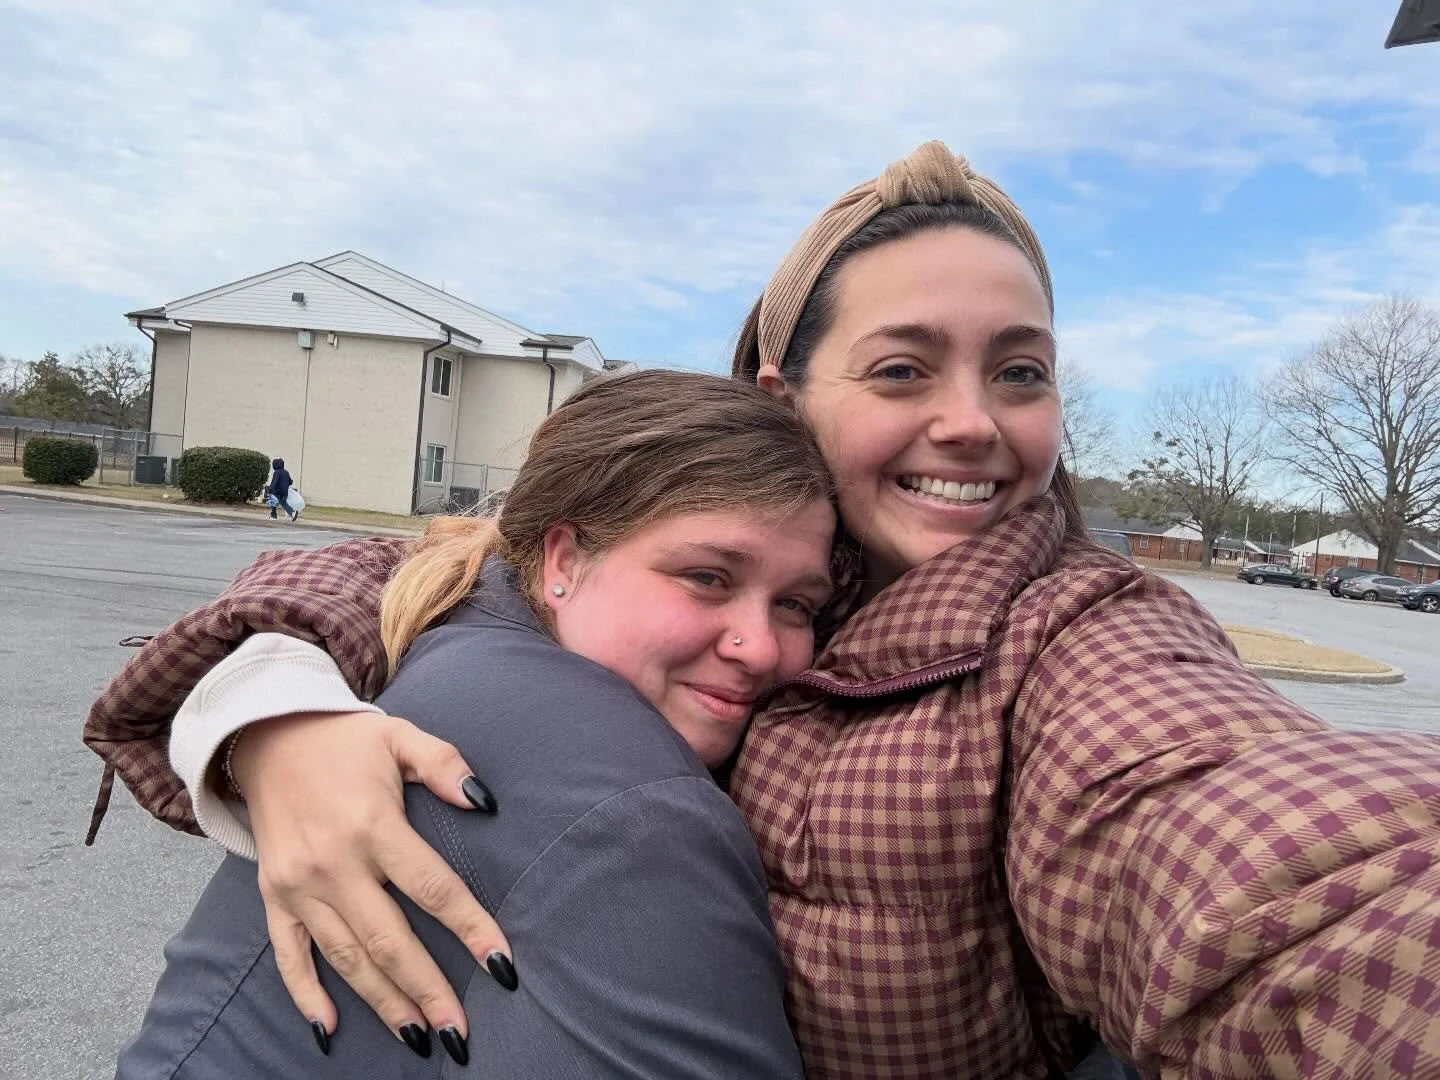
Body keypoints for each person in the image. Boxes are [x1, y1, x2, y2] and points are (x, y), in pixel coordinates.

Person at [86, 142, 1440, 1079]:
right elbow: (430, 563)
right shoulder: (736, 549)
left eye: (1021, 372)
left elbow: (1241, 841)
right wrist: (278, 716)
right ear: (784, 400)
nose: (973, 422)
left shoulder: (1075, 635)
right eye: (904, 368)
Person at [116, 369, 835, 1077]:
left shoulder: (443, 622)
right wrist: (268, 711)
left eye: (797, 605)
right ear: (563, 558)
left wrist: (267, 716)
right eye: (707, 577)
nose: (761, 647)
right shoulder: (632, 802)